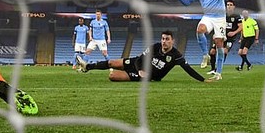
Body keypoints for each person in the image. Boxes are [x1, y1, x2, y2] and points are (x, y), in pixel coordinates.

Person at [174, 0, 241, 81]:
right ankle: (206, 55)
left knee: (219, 44)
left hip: (220, 18)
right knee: (199, 30)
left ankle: (218, 73)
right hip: (208, 17)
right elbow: (187, 2)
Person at [76, 30, 214, 83]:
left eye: (167, 39)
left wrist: (202, 80)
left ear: (173, 41)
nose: (164, 41)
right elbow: (141, 59)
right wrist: (139, 69)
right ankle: (87, 66)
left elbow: (188, 69)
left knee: (112, 76)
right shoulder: (155, 47)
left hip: (149, 76)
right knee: (111, 62)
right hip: (138, 64)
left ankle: (125, 74)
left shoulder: (176, 55)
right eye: (163, 39)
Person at [208, 1, 241, 75]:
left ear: (234, 7)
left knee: (225, 51)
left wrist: (234, 32)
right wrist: (215, 34)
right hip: (220, 36)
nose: (229, 6)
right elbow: (217, 25)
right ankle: (213, 69)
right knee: (212, 52)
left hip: (230, 38)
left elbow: (241, 27)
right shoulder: (222, 15)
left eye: (231, 5)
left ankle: (218, 69)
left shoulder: (236, 16)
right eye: (228, 5)